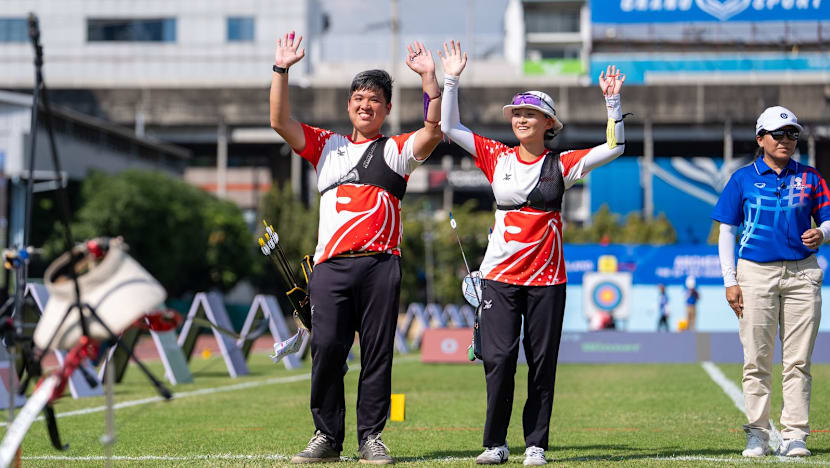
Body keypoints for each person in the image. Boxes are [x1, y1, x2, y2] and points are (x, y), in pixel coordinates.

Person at [439, 41, 626, 466]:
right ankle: (495, 444)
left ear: (549, 124)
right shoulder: (494, 156)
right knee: (500, 360)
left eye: (530, 114)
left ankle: (536, 443)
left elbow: (614, 147)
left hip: (547, 280)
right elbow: (450, 127)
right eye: (516, 114)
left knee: (542, 363)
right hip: (500, 278)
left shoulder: (562, 164)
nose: (520, 119)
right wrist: (451, 79)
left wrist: (613, 102)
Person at [269, 31, 443, 464]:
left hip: (381, 266)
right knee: (326, 349)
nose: (365, 105)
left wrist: (429, 80)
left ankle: (371, 438)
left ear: (385, 109)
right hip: (330, 268)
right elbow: (278, 121)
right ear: (349, 106)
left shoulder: (397, 150)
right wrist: (281, 70)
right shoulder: (325, 146)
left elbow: (433, 131)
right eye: (358, 98)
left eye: (375, 100)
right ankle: (326, 437)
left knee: (377, 354)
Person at [712, 106, 829, 458]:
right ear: (760, 138)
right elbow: (726, 231)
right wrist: (730, 280)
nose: (786, 140)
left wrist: (822, 233)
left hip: (802, 273)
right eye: (778, 134)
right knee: (756, 359)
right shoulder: (742, 179)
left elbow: (828, 219)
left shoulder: (811, 178)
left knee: (797, 362)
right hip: (754, 274)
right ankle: (758, 435)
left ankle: (795, 436)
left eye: (793, 134)